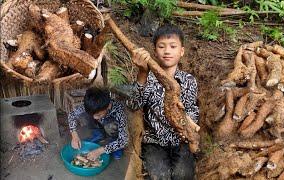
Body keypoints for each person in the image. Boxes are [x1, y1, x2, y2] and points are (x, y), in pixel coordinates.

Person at [127, 24, 199, 179]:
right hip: (154, 141)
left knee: (183, 175)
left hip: (181, 141)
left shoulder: (189, 81)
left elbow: (192, 108)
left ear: (182, 51)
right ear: (155, 51)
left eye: (173, 46)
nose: (167, 51)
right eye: (161, 46)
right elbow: (133, 105)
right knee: (159, 176)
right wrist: (142, 74)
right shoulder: (148, 78)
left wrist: (188, 127)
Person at [68, 87, 128, 161]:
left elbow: (124, 140)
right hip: (101, 124)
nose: (95, 118)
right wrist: (74, 135)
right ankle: (99, 133)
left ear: (108, 106)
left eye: (98, 115)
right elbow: (72, 114)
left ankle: (113, 142)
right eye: (93, 115)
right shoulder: (91, 105)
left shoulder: (119, 111)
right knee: (84, 115)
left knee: (112, 127)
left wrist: (100, 151)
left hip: (111, 126)